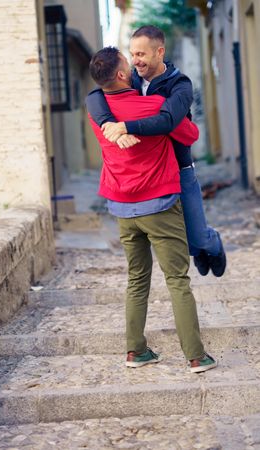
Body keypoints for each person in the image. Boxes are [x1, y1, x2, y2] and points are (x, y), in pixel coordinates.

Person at [87, 46, 217, 373]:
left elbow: (94, 97)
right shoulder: (153, 105)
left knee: (136, 279)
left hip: (121, 208)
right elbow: (190, 133)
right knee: (177, 279)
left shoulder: (97, 111)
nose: (133, 66)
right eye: (127, 62)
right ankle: (196, 356)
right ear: (120, 75)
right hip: (159, 204)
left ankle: (135, 351)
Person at [86, 25, 226, 278]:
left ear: (159, 52)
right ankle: (199, 247)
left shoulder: (180, 84)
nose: (135, 61)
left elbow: (168, 120)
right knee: (183, 242)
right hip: (154, 173)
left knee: (197, 238)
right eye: (132, 54)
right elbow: (95, 95)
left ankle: (212, 244)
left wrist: (125, 126)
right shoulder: (133, 79)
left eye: (141, 54)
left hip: (180, 169)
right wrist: (107, 123)